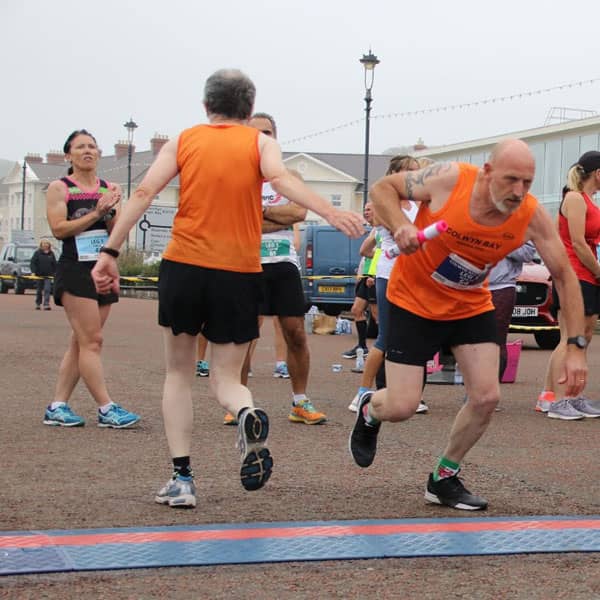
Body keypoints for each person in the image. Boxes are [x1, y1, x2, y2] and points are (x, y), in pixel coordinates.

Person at [91, 69, 364, 508]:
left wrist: (110, 252)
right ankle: (245, 412)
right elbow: (281, 181)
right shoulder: (260, 143)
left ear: (206, 106)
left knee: (179, 373)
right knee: (226, 377)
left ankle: (182, 480)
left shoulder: (184, 140)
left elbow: (142, 192)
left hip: (185, 265)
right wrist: (328, 213)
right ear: (250, 109)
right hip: (239, 270)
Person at [349, 138, 587, 511]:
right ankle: (369, 410)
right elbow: (383, 189)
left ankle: (443, 477)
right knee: (401, 406)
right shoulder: (449, 180)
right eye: (511, 180)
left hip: (469, 305)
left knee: (487, 397)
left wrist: (575, 347)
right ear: (488, 172)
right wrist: (398, 226)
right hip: (413, 301)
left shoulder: (530, 214)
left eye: (527, 182)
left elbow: (564, 274)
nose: (518, 191)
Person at [223, 111, 327, 427]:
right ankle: (238, 403)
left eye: (268, 132)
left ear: (276, 137)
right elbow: (233, 217)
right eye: (256, 133)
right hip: (245, 263)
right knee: (244, 335)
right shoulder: (235, 174)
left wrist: (260, 212)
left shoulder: (288, 174)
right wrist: (272, 216)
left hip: (283, 264)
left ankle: (300, 402)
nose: (262, 138)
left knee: (295, 333)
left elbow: (297, 212)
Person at [44, 129, 141, 429]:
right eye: (80, 147)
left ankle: (57, 406)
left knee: (81, 341)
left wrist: (110, 212)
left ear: (99, 153)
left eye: (92, 146)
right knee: (92, 340)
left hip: (103, 267)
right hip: (75, 268)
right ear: (68, 155)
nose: (87, 151)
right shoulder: (60, 188)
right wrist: (94, 212)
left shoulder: (108, 187)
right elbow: (59, 229)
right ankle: (105, 408)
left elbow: (117, 229)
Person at [348, 155, 428, 414]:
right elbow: (396, 231)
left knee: (413, 336)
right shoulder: (385, 201)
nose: (415, 177)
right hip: (390, 275)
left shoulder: (418, 204)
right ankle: (362, 392)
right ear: (395, 174)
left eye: (417, 173)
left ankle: (406, 394)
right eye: (409, 172)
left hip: (415, 275)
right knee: (386, 336)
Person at [537, 151, 600, 420]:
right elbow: (576, 242)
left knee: (583, 336)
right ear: (597, 173)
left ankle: (563, 395)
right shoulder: (574, 198)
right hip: (577, 276)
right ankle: (558, 400)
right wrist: (598, 271)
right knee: (570, 337)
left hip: (587, 276)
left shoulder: (586, 200)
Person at [488, 241, 536, 380]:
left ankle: (490, 393)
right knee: (469, 344)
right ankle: (474, 392)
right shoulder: (468, 219)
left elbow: (527, 253)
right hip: (470, 288)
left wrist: (498, 240)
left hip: (500, 287)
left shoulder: (516, 222)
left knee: (496, 342)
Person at [342, 202, 378, 360]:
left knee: (378, 317)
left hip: (375, 277)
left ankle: (385, 350)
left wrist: (373, 275)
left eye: (369, 210)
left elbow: (382, 253)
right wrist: (361, 272)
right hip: (366, 276)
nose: (366, 212)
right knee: (356, 310)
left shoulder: (383, 229)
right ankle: (362, 346)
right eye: (364, 210)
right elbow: (366, 254)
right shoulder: (373, 230)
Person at [30, 239, 57, 310]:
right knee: (39, 290)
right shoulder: (37, 253)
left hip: (48, 275)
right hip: (39, 275)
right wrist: (33, 272)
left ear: (49, 245)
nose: (45, 245)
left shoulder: (51, 253)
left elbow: (54, 264)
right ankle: (38, 303)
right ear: (41, 245)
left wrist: (56, 273)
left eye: (47, 243)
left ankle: (46, 304)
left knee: (47, 289)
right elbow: (33, 263)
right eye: (44, 243)